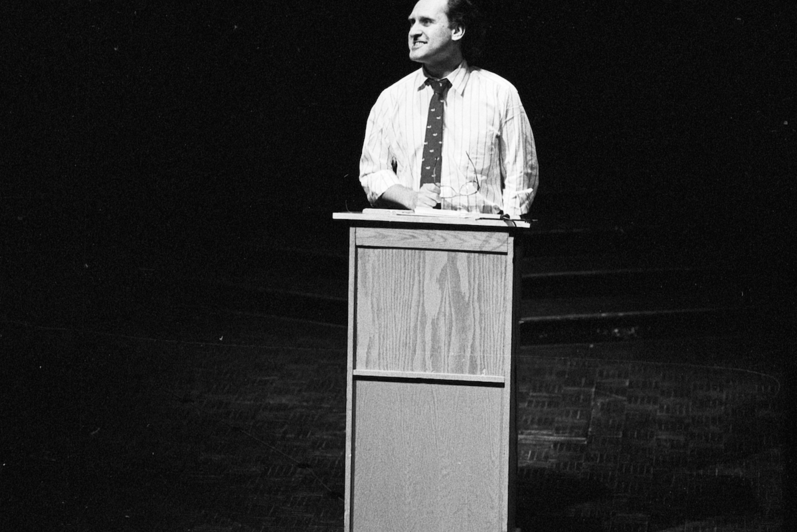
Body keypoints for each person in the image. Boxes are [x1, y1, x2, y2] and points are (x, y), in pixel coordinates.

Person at [358, 0, 538, 218]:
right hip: (409, 237)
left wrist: (504, 237)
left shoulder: (500, 93)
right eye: (412, 23)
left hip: (481, 241)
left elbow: (520, 178)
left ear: (457, 30)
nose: (414, 32)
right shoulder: (391, 98)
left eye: (426, 22)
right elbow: (373, 172)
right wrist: (411, 197)